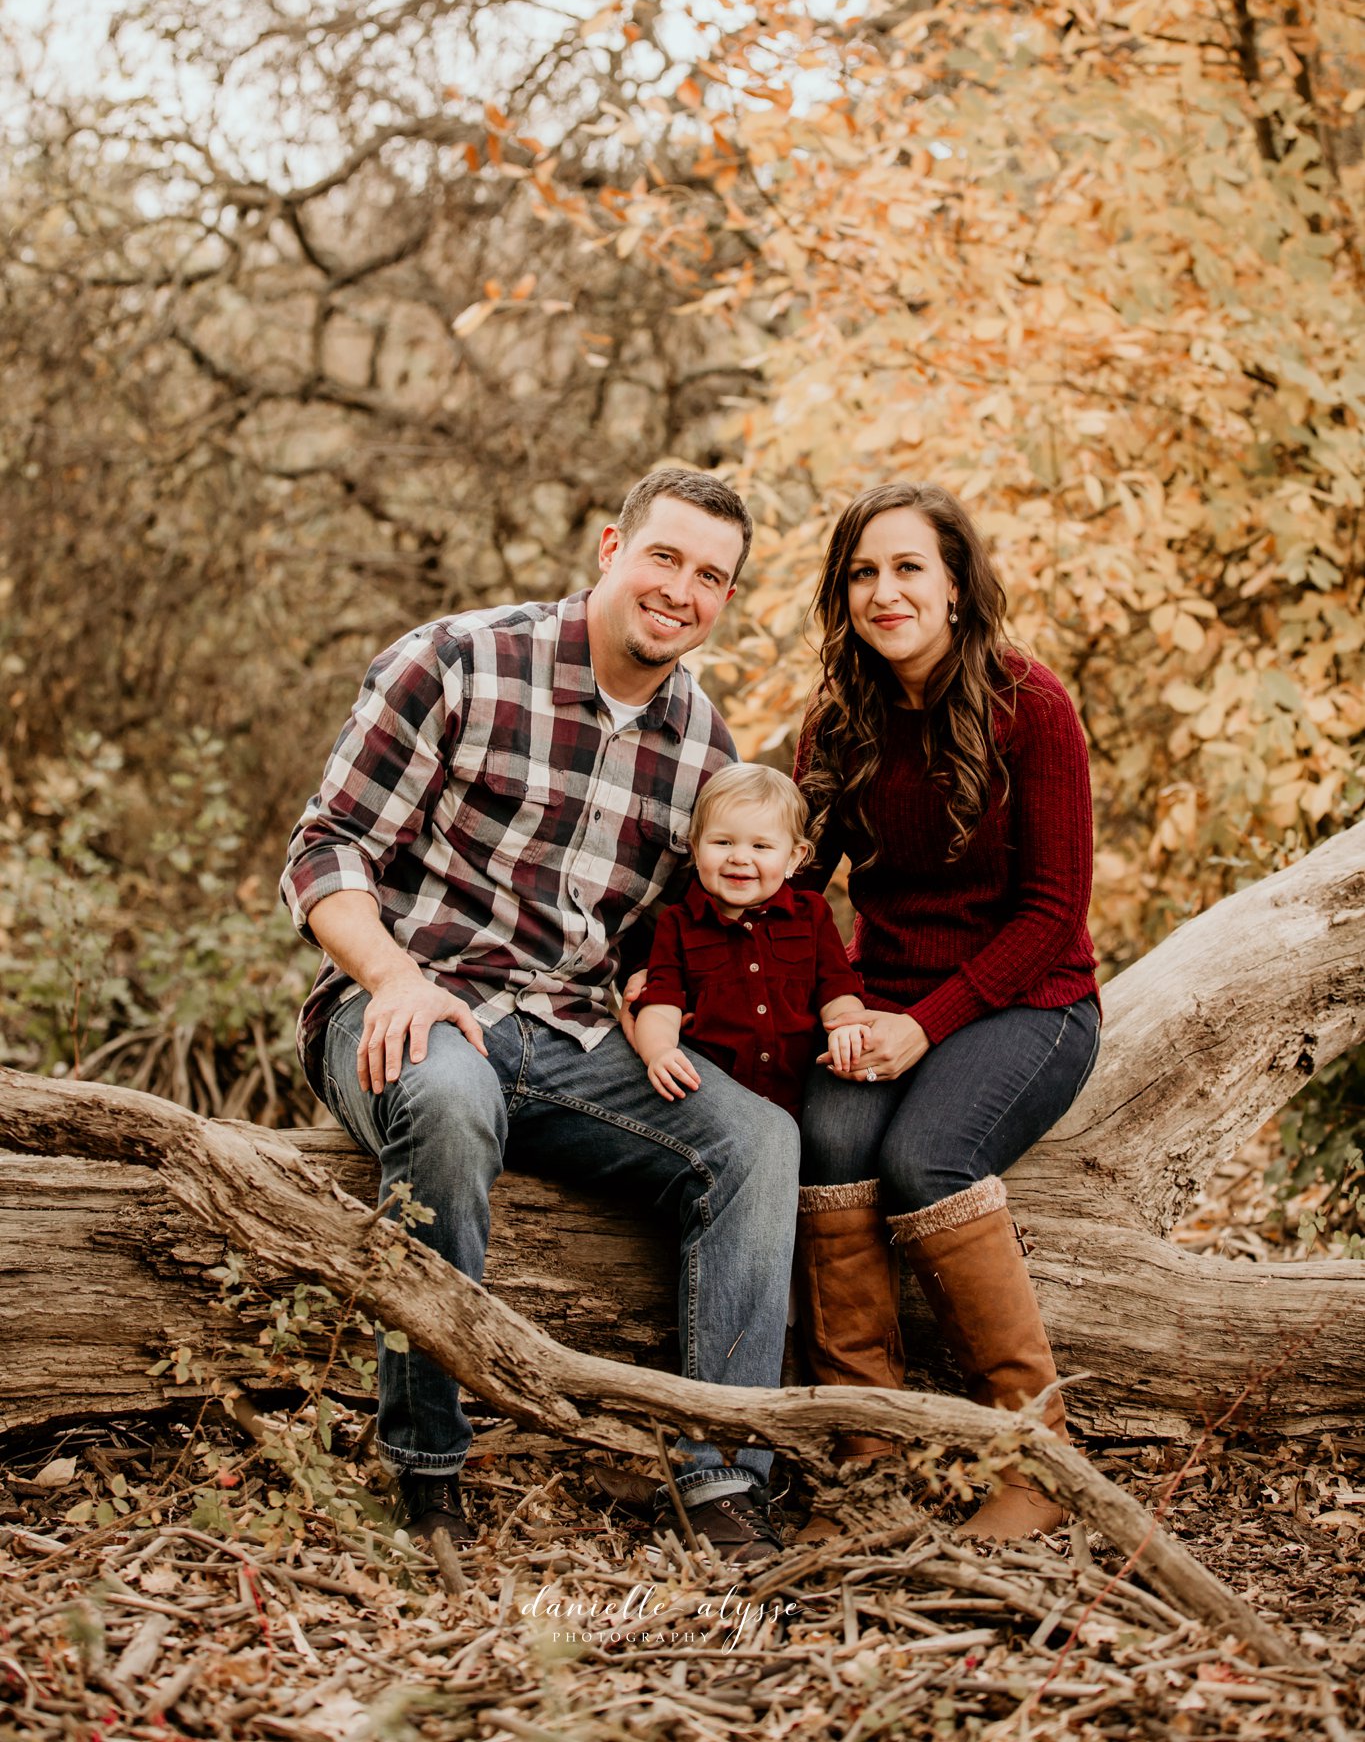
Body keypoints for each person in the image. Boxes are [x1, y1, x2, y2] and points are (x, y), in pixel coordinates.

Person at [279, 468, 799, 1564]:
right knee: (452, 1104)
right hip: (404, 1007)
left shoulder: (701, 740)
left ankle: (721, 1474)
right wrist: (395, 978)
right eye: (665, 556)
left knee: (759, 1140)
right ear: (612, 545)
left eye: (712, 576)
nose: (682, 589)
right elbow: (326, 848)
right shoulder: (460, 660)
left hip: (572, 1040)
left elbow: (690, 932)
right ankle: (429, 1474)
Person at [792, 481, 1101, 1538]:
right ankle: (869, 1453)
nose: (885, 592)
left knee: (928, 1159)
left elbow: (1054, 913)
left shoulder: (1032, 704)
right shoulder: (837, 723)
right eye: (863, 572)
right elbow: (795, 891)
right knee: (827, 1138)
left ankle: (1037, 1452)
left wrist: (928, 1021)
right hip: (882, 1001)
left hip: (1032, 999)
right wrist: (843, 997)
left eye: (909, 567)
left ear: (959, 585)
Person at [631, 763, 868, 1119]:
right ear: (696, 849)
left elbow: (836, 987)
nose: (740, 857)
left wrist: (848, 1022)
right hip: (711, 1101)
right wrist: (660, 1051)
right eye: (722, 842)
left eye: (761, 845)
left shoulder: (811, 914)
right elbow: (661, 1004)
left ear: (793, 857)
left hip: (801, 1098)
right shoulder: (677, 924)